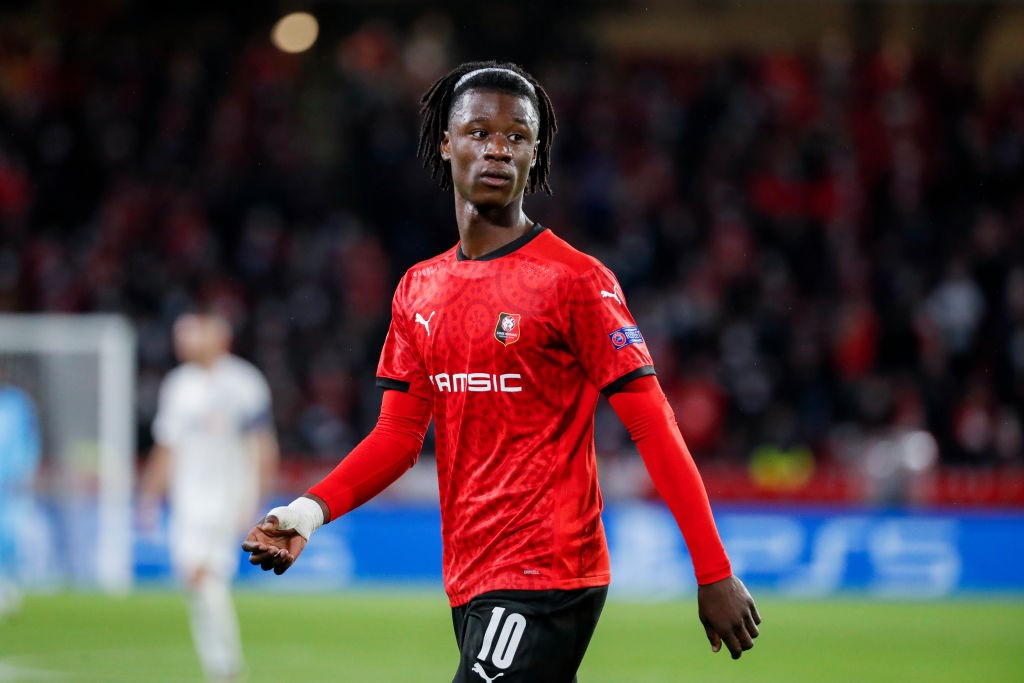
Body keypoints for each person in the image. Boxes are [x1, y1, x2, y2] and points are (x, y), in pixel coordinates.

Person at [243, 60, 760, 682]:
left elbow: (654, 426)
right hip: (470, 577)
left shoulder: (576, 281)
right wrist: (308, 511)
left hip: (550, 572)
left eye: (517, 136)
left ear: (535, 153)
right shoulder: (419, 288)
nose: (497, 149)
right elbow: (398, 439)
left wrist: (712, 570)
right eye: (479, 132)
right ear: (446, 142)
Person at [140, 312, 279, 682]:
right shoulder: (178, 385)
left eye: (192, 335)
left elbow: (262, 444)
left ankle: (225, 668)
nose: (183, 342)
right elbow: (166, 447)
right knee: (195, 579)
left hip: (229, 496)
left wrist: (258, 498)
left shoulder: (244, 383)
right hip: (188, 500)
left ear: (218, 339)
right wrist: (150, 498)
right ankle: (221, 665)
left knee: (206, 575)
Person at [0, 376, 41, 618]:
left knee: (9, 535)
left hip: (12, 483)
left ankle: (9, 584)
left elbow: (31, 439)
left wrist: (28, 469)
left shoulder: (17, 403)